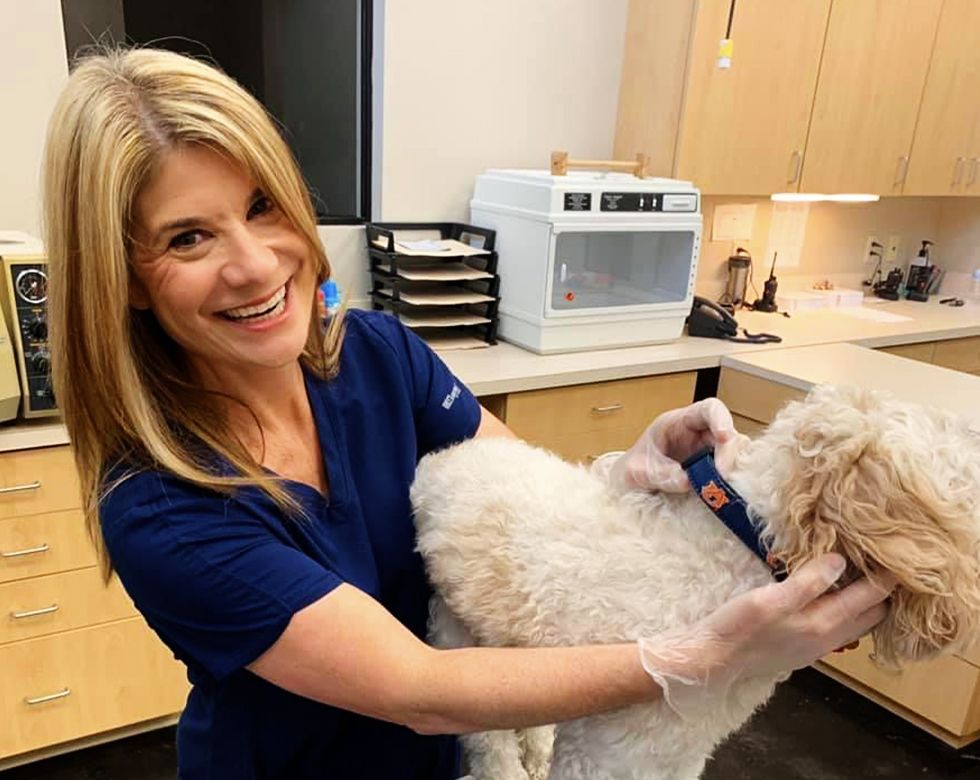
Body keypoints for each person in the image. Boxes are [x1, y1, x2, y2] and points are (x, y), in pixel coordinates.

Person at [43, 48, 891, 780]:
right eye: (189, 238)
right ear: (126, 279)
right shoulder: (161, 508)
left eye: (263, 206)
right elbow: (417, 689)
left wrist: (619, 478)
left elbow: (511, 505)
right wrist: (706, 659)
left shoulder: (374, 354)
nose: (256, 265)